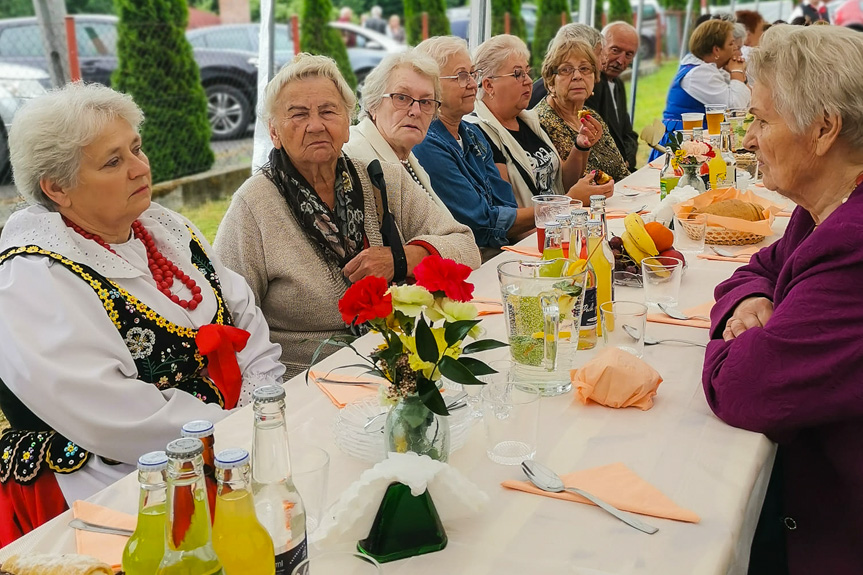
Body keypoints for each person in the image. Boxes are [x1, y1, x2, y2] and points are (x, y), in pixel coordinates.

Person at [0, 82, 285, 544]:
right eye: (113, 161)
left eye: (136, 148)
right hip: (114, 485)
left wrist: (256, 403)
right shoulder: (33, 275)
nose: (140, 167)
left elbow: (243, 316)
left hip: (225, 447)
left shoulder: (162, 227)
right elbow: (111, 415)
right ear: (58, 188)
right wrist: (234, 432)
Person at [701, 25, 863, 574]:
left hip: (836, 527)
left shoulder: (853, 242)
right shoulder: (822, 208)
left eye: (762, 120)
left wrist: (738, 343)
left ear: (823, 130)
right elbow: (755, 270)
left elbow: (745, 388)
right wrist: (746, 306)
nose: (747, 138)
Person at [214, 54, 479, 378]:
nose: (315, 125)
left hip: (399, 360)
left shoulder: (383, 179)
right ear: (274, 132)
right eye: (298, 114)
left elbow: (466, 248)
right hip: (304, 381)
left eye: (328, 111)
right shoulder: (253, 206)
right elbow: (227, 317)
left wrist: (401, 259)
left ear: (347, 123)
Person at [468, 34, 612, 207]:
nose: (529, 81)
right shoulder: (480, 133)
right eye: (518, 74)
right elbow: (507, 214)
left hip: (557, 222)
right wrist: (570, 201)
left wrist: (581, 146)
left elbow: (560, 183)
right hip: (533, 232)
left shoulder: (527, 120)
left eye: (527, 72)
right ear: (489, 85)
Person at [343, 50, 448, 213]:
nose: (416, 111)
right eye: (401, 97)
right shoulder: (356, 159)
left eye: (426, 101)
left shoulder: (408, 159)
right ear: (373, 104)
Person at [652, 19, 750, 161]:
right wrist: (736, 72)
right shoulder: (699, 74)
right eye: (731, 44)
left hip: (695, 140)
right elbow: (735, 107)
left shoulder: (708, 69)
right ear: (716, 50)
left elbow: (748, 103)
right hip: (683, 143)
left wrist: (738, 75)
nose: (735, 48)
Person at [536, 38, 630, 183]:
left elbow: (621, 172)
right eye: (566, 70)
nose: (577, 76)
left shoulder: (591, 116)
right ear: (550, 82)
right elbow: (564, 186)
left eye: (585, 68)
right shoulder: (541, 122)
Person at [587, 22, 641, 170]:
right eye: (615, 50)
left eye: (629, 55)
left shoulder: (618, 85)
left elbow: (628, 134)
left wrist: (626, 160)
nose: (620, 61)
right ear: (600, 47)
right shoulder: (590, 85)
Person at [528, 23, 603, 109]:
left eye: (584, 68)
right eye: (566, 69)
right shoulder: (537, 115)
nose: (602, 62)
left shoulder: (589, 114)